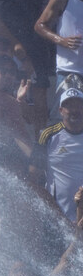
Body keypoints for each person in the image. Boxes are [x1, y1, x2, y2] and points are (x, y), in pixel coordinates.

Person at [41, 88, 83, 220]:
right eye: (69, 105)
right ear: (61, 111)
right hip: (57, 217)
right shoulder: (48, 135)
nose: (74, 110)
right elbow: (34, 173)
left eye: (78, 105)